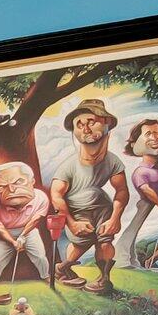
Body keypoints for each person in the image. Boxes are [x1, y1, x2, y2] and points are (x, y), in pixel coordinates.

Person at [49, 97, 130, 293]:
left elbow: (121, 190)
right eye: (79, 124)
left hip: (102, 207)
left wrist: (115, 218)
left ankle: (104, 279)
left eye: (91, 122)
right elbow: (56, 195)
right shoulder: (69, 165)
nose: (85, 129)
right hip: (77, 210)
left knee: (105, 240)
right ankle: (63, 268)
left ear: (106, 123)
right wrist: (71, 222)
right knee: (81, 243)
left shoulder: (113, 161)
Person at [0, 161, 52, 297]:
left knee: (40, 256)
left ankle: (46, 277)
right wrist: (13, 242)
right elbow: (0, 229)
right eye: (3, 187)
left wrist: (22, 236)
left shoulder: (41, 198)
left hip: (29, 231)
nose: (12, 190)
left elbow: (35, 220)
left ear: (31, 181)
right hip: (6, 235)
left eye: (19, 181)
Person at [122, 119, 158, 258]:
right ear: (134, 144)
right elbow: (146, 189)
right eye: (148, 134)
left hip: (154, 204)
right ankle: (123, 256)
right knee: (134, 227)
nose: (154, 137)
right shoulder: (141, 172)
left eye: (157, 132)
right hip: (144, 204)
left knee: (137, 228)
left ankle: (130, 258)